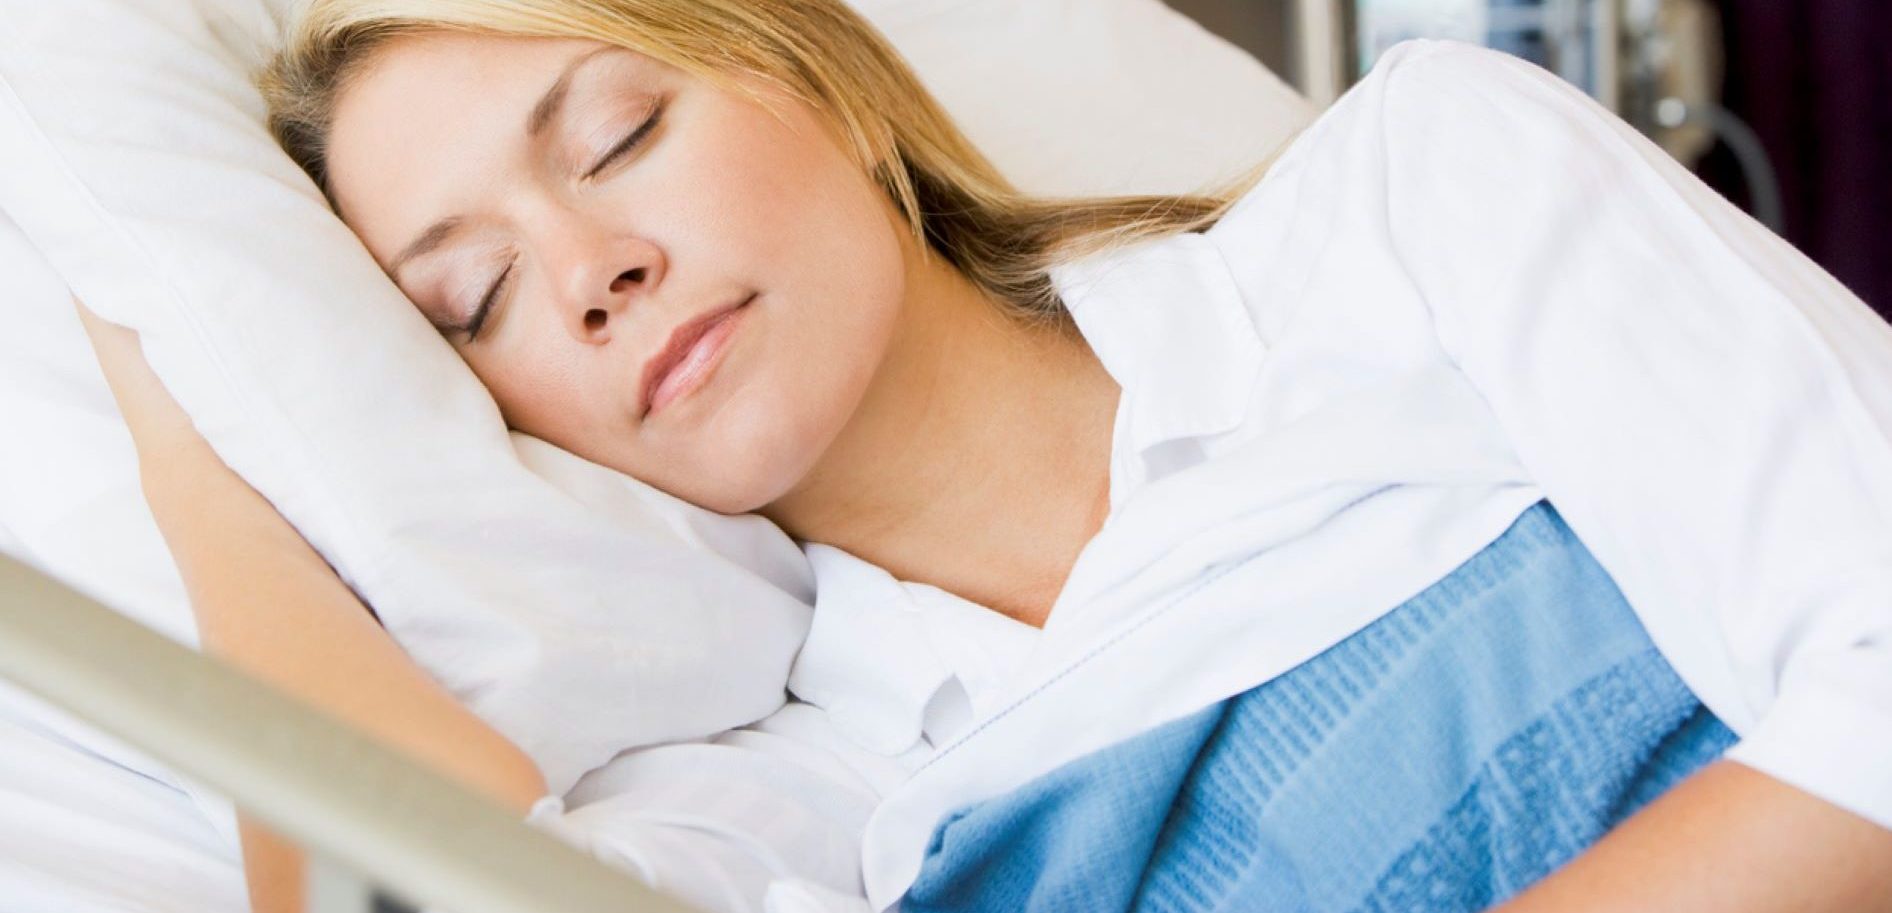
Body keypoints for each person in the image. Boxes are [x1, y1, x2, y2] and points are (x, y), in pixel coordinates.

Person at [77, 0, 1892, 911]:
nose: (588, 274)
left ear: (819, 82)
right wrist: (188, 419)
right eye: (473, 302)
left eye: (617, 136)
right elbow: (412, 880)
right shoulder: (816, 798)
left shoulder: (1412, 213)